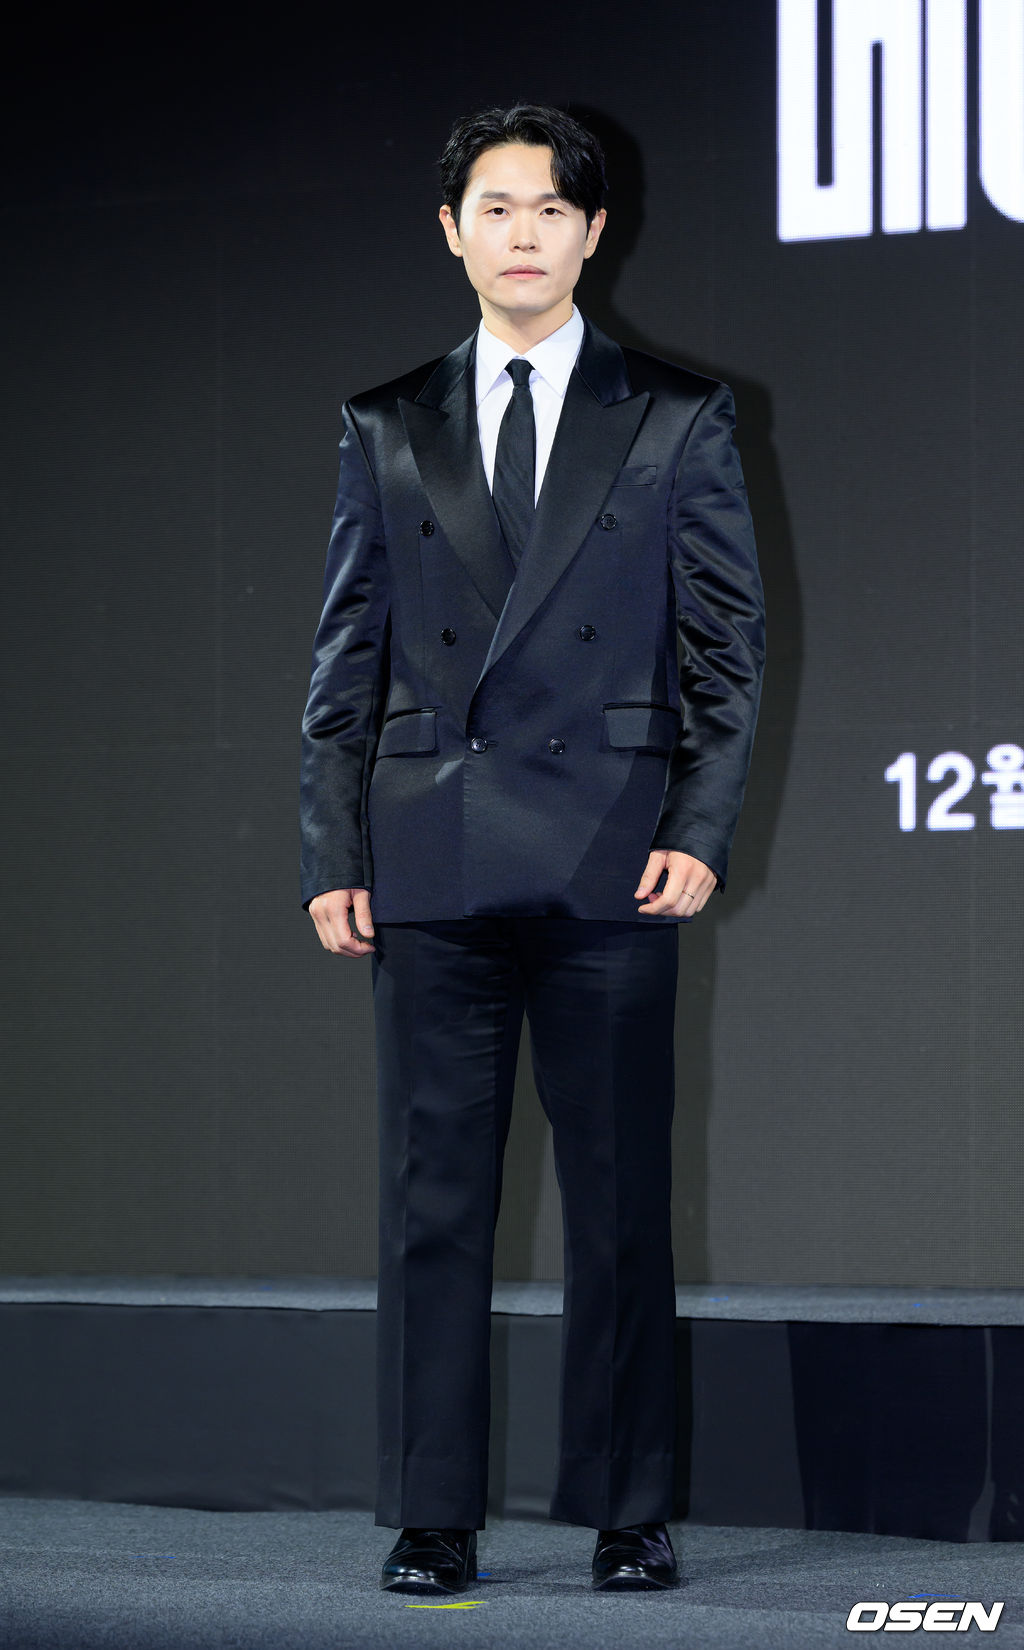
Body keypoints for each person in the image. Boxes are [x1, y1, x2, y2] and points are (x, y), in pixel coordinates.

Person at [299, 102, 765, 1595]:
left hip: (612, 850)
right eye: (495, 208)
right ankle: (432, 1514)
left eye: (552, 209)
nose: (523, 234)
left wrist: (699, 825)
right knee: (433, 1198)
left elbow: (727, 649)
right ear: (453, 232)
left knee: (620, 1201)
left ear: (592, 231)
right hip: (429, 852)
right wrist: (332, 846)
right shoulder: (385, 421)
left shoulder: (678, 414)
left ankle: (630, 1510)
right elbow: (346, 657)